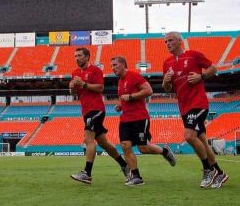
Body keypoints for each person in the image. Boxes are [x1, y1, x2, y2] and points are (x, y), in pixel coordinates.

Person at [162, 31, 229, 188]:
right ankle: (220, 173)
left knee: (189, 136)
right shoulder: (167, 63)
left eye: (170, 40)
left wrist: (201, 77)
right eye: (165, 42)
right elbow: (168, 89)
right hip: (184, 107)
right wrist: (166, 82)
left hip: (198, 103)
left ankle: (208, 169)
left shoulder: (193, 55)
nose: (167, 44)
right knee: (203, 142)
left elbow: (213, 68)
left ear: (179, 41)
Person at [111, 56, 177, 186]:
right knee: (125, 146)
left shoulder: (134, 76)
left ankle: (165, 151)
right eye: (112, 66)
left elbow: (149, 90)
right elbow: (124, 99)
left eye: (115, 65)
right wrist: (120, 105)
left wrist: (130, 97)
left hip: (139, 118)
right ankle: (136, 177)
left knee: (143, 148)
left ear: (124, 65)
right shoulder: (120, 81)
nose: (113, 68)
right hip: (125, 119)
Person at [69, 47, 130, 184]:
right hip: (85, 111)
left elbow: (100, 88)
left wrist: (83, 84)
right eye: (75, 56)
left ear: (87, 57)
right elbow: (75, 94)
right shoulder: (75, 73)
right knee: (104, 142)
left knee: (88, 138)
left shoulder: (95, 70)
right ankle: (125, 166)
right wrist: (72, 88)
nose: (76, 58)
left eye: (79, 55)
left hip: (96, 109)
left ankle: (87, 173)